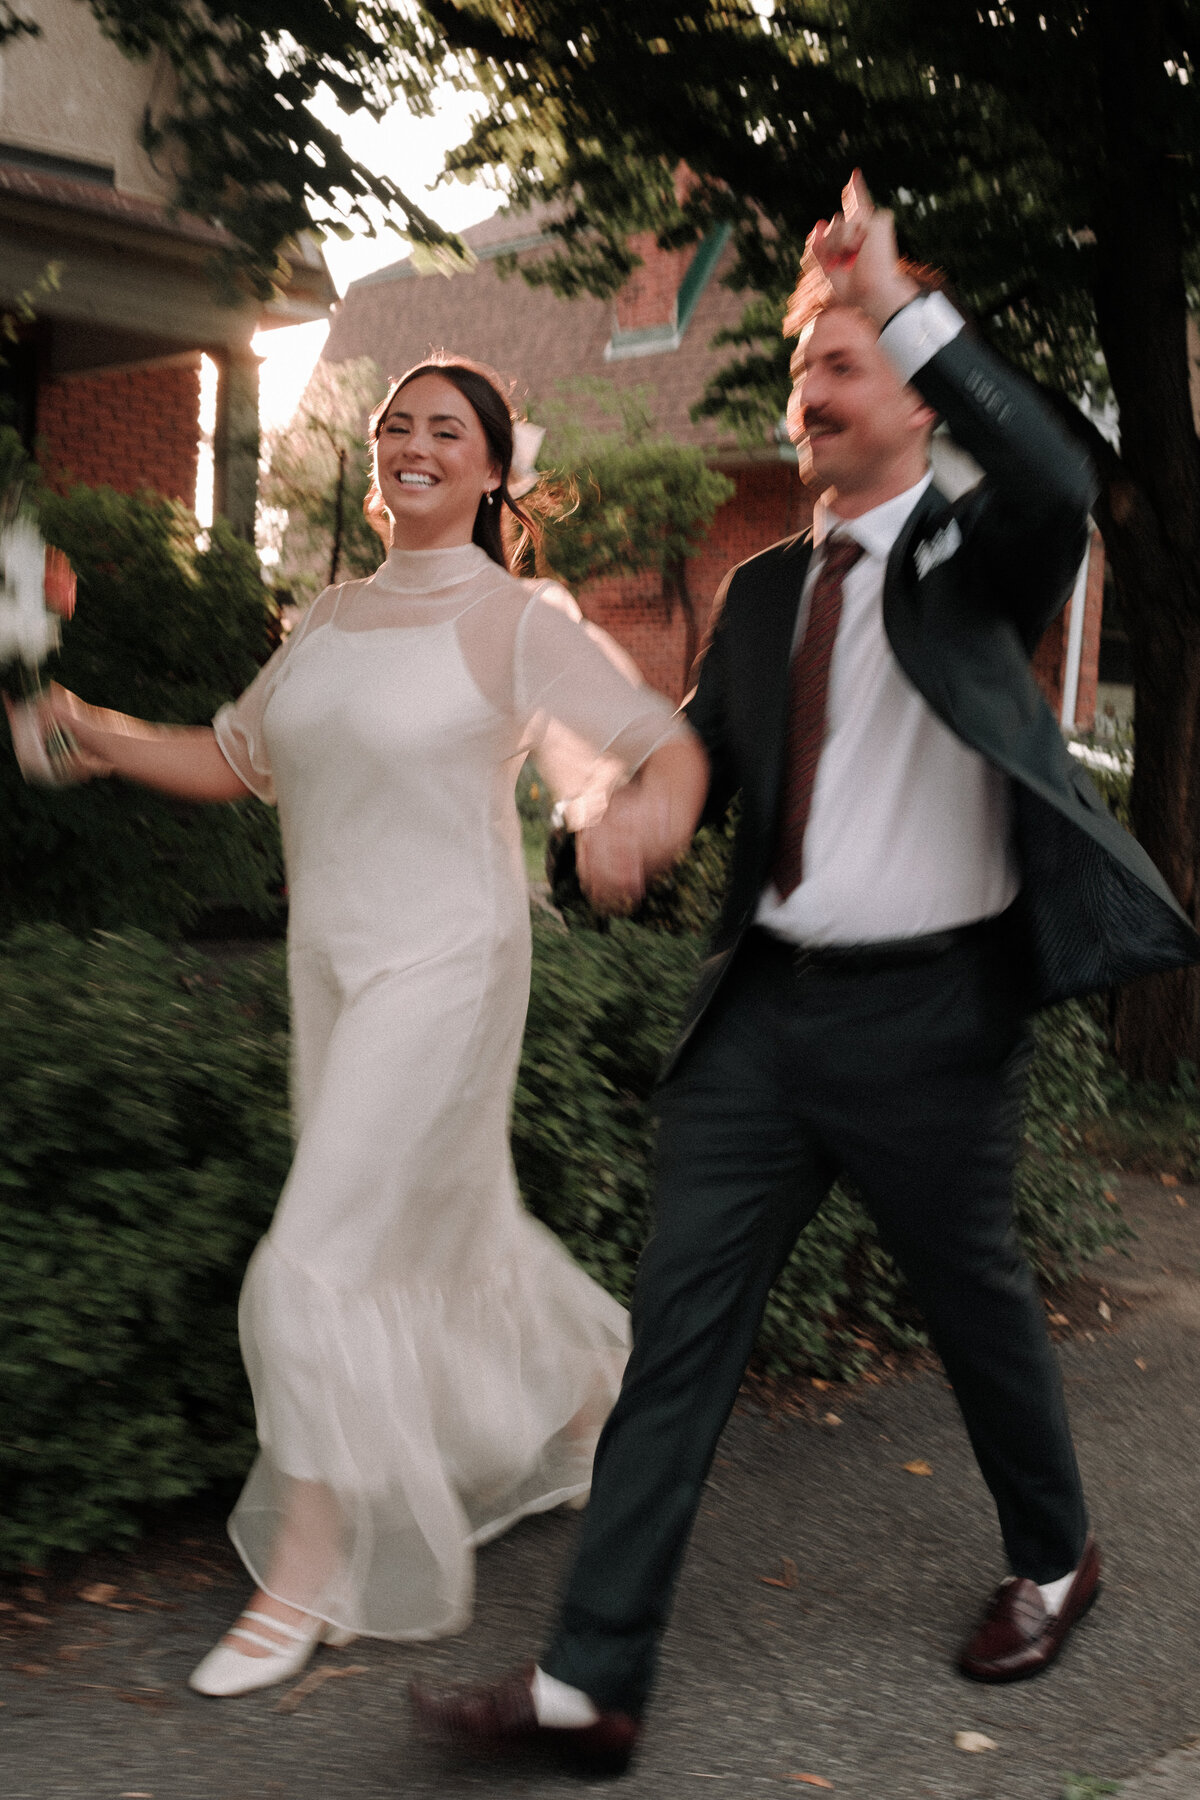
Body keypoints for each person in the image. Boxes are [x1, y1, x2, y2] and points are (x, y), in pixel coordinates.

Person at [409, 176, 1200, 1776]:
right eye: (801, 371)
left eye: (842, 366)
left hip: (931, 1016)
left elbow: (1058, 467)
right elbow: (684, 765)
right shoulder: (769, 590)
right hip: (767, 1016)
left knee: (979, 1313)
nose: (808, 392)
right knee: (677, 1338)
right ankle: (589, 1682)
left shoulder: (988, 554)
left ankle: (1056, 1558)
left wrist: (896, 290)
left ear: (917, 392)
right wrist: (598, 833)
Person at [11, 355, 708, 1697]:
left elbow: (651, 743)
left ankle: (307, 1575)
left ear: (494, 470)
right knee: (443, 1225)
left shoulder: (518, 619)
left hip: (449, 965)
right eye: (394, 425)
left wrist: (645, 813)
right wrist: (89, 727)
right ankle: (586, 1397)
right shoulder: (326, 619)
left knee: (312, 1258)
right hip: (334, 968)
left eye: (446, 429)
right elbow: (234, 757)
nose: (411, 443)